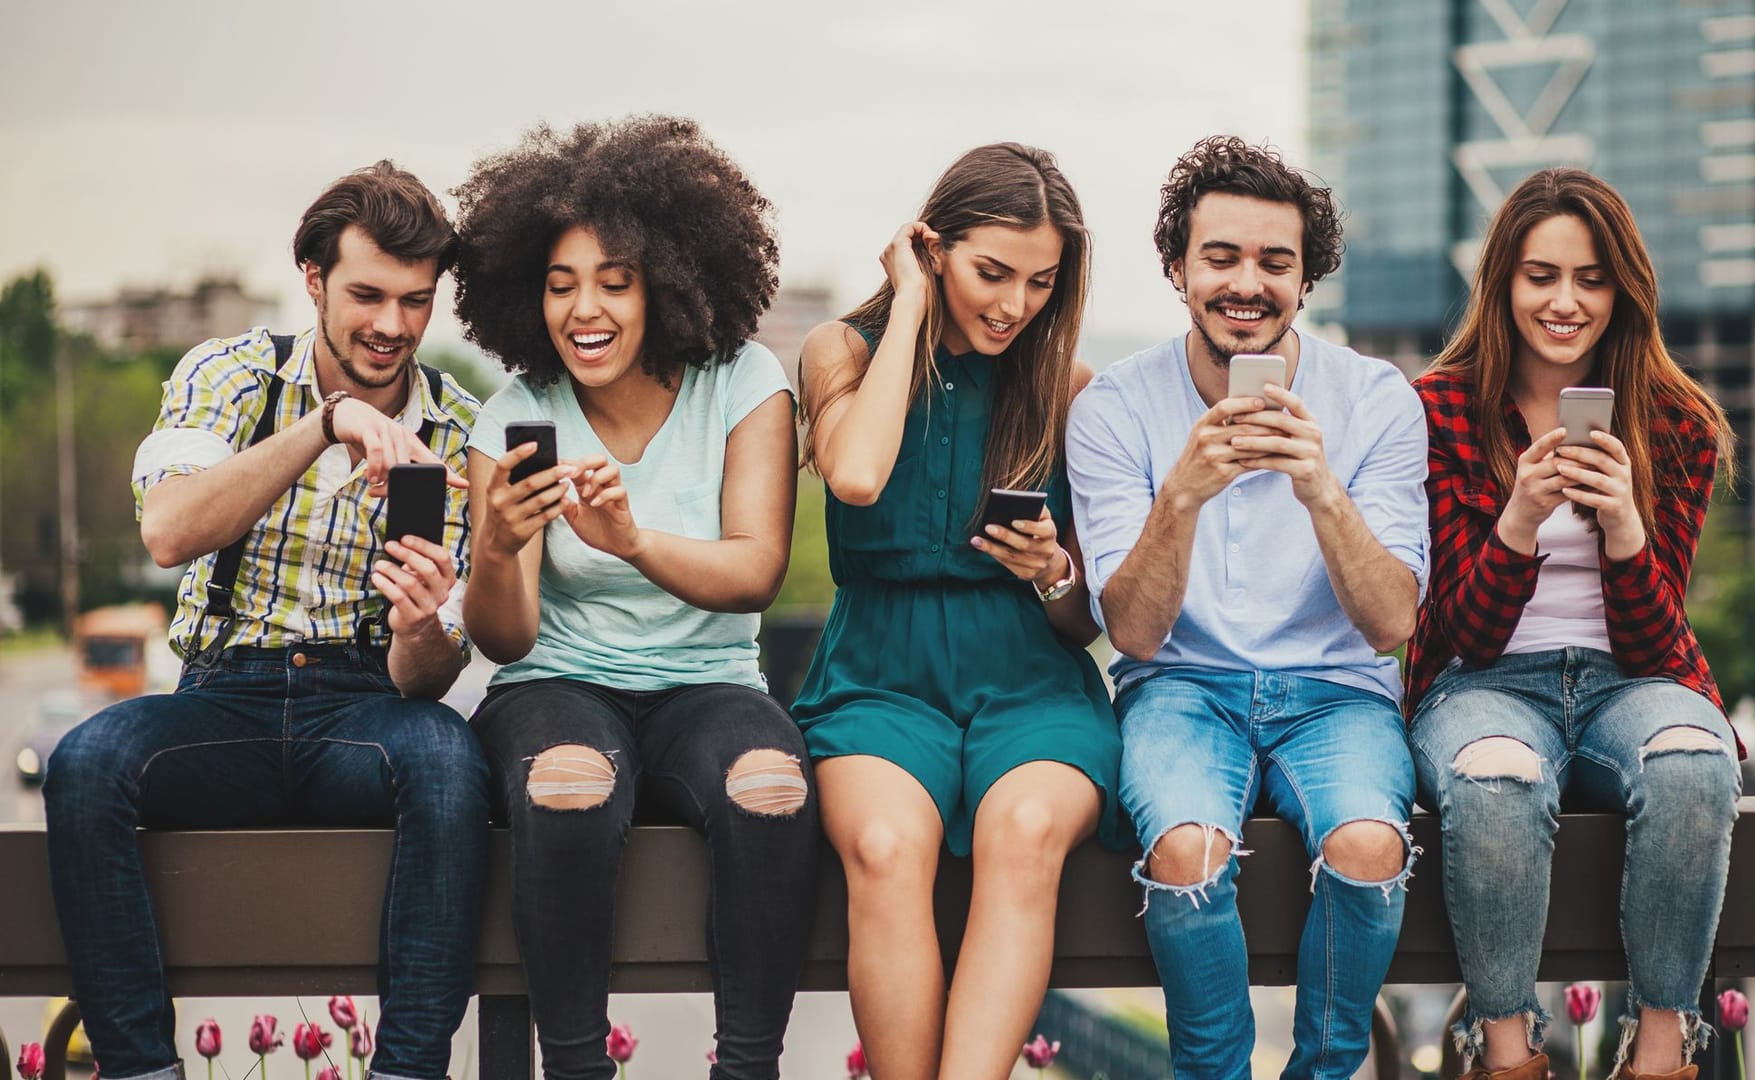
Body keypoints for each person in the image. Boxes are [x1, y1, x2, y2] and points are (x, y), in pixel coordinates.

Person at [43, 162, 487, 1080]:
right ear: (315, 280)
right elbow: (168, 530)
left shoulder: (460, 429)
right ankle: (141, 1070)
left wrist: (419, 626)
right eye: (367, 294)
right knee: (85, 765)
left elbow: (426, 681)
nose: (392, 325)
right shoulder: (230, 374)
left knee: (450, 761)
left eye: (415, 300)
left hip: (364, 711)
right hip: (220, 704)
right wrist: (330, 425)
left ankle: (407, 1072)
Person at [453, 116, 817, 1080]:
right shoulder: (512, 416)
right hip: (557, 685)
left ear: (668, 281)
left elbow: (756, 571)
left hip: (710, 683)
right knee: (568, 781)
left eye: (615, 281)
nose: (586, 309)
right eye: (562, 284)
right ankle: (576, 1065)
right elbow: (504, 636)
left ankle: (749, 1066)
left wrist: (632, 542)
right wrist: (495, 545)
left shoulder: (743, 382)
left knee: (773, 787)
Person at [1065, 135, 1429, 1080]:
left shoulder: (1378, 399)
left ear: (1307, 279)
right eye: (1221, 257)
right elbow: (1133, 633)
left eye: (1276, 261)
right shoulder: (1114, 409)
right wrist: (1182, 492)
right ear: (1178, 267)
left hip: (1337, 692)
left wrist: (1322, 492)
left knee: (1368, 846)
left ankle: (1327, 1070)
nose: (1247, 283)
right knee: (1186, 852)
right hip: (1180, 686)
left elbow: (1392, 623)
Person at [790, 142, 1123, 1079]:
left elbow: (1084, 622)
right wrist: (908, 308)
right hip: (878, 676)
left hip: (1029, 681)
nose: (1015, 305)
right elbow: (855, 474)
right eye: (990, 272)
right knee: (890, 848)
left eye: (1041, 282)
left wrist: (1055, 569)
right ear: (931, 249)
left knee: (1024, 838)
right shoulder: (841, 350)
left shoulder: (1067, 389)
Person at [1406, 167, 1742, 1080]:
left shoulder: (1676, 424)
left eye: (1591, 278)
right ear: (1502, 284)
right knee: (1495, 781)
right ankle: (1507, 1051)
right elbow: (1460, 632)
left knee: (1694, 766)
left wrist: (1627, 531)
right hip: (1483, 683)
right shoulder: (1436, 409)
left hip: (1630, 680)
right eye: (1540, 275)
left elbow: (1654, 646)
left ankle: (1662, 1049)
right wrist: (1517, 524)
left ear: (1623, 289)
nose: (1565, 302)